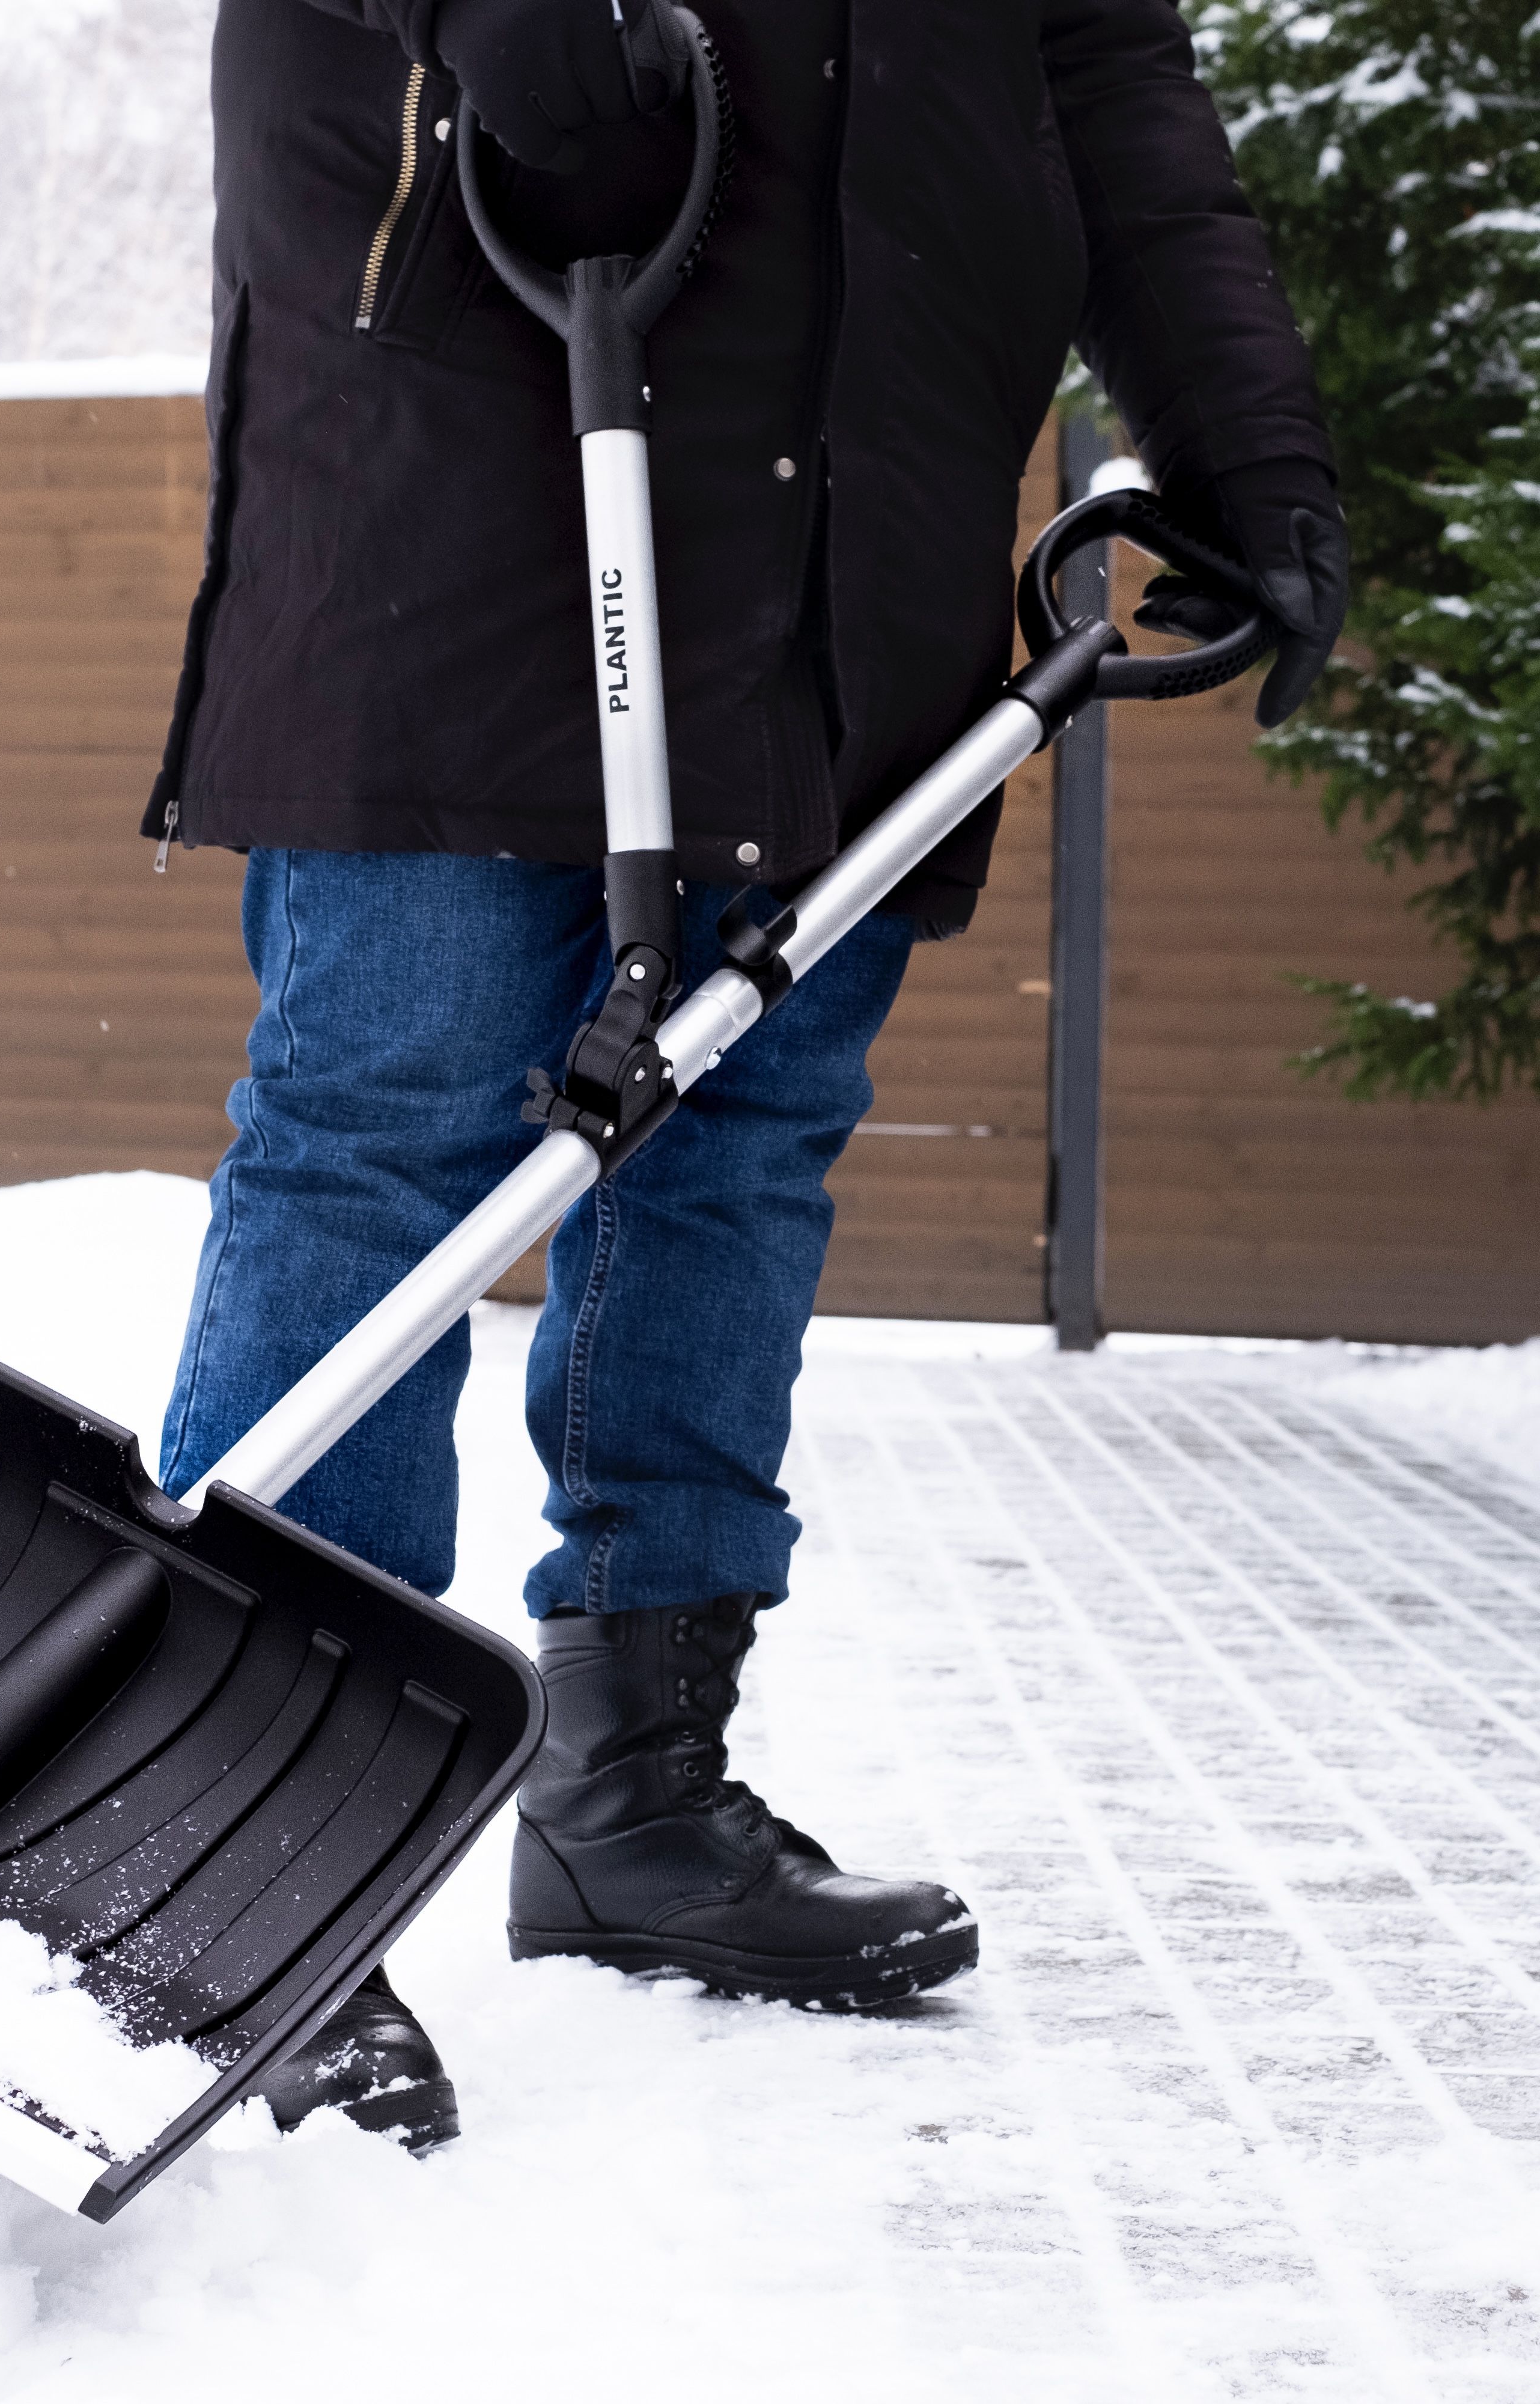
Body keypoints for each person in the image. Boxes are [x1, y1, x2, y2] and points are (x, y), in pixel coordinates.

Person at [145, 0, 1347, 2150]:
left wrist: (1245, 434)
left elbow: (1102, 77)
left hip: (850, 503)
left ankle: (635, 1789)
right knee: (390, 1128)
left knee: (741, 1139)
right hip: (482, 414)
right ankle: (244, 1848)